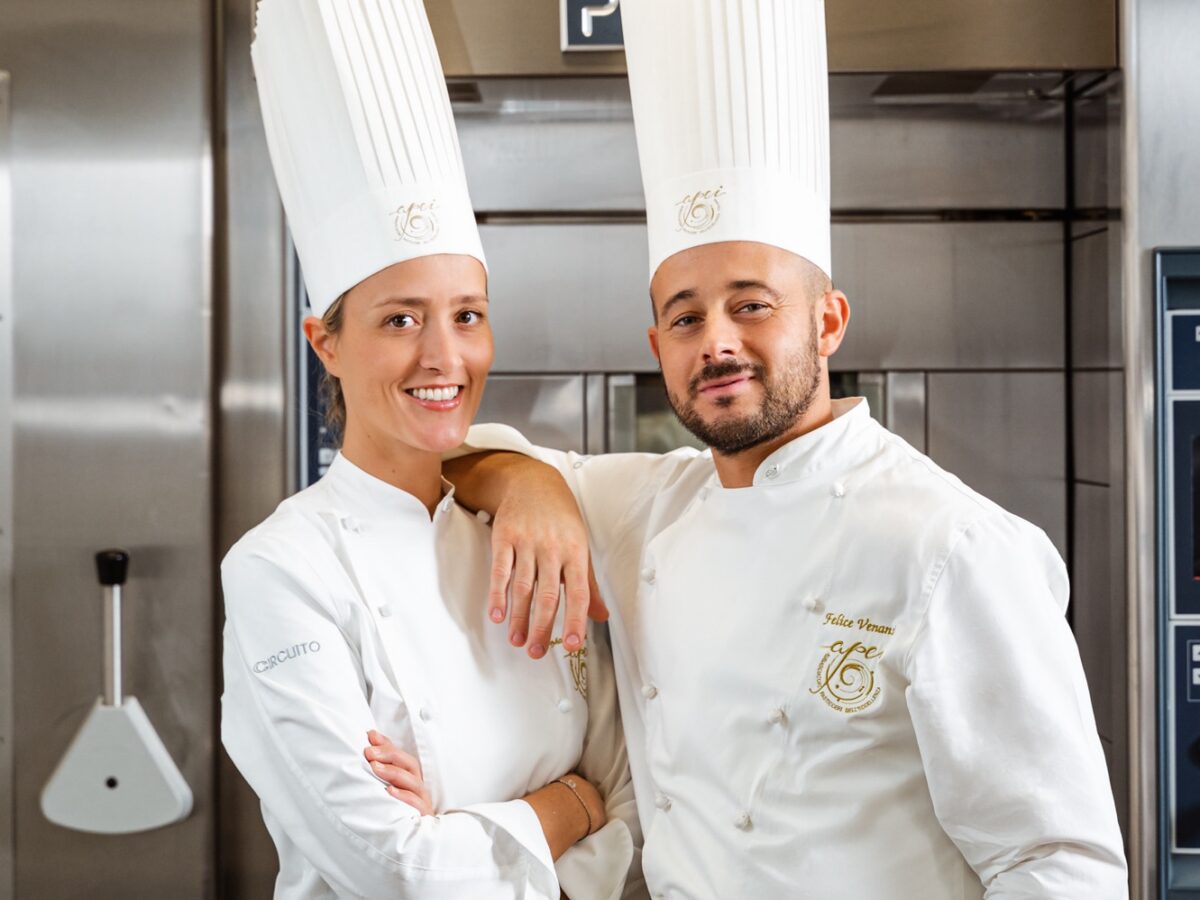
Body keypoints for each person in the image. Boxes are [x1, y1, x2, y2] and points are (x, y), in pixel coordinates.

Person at [438, 0, 1131, 897]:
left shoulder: (950, 546)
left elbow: (1059, 866)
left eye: (752, 304)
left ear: (830, 321)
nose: (717, 341)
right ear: (659, 351)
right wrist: (527, 487)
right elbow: (465, 453)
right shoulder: (651, 505)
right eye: (685, 317)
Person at [220, 2, 640, 897]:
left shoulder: (530, 528)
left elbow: (634, 802)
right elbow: (399, 874)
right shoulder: (281, 569)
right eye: (400, 319)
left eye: (467, 316)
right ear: (324, 342)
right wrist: (565, 805)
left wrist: (470, 830)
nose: (444, 358)